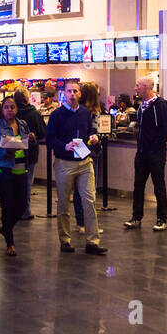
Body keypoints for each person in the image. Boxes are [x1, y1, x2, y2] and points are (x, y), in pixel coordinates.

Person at [46, 82, 106, 255]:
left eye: (75, 91)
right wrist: (65, 146)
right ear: (63, 93)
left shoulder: (85, 113)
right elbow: (50, 140)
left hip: (84, 162)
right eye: (69, 91)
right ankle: (65, 240)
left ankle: (92, 242)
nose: (72, 94)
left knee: (89, 200)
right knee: (64, 203)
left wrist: (93, 137)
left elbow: (88, 132)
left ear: (80, 94)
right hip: (65, 163)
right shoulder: (56, 115)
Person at [124, 76, 167, 232]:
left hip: (155, 153)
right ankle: (136, 217)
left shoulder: (160, 105)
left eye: (138, 85)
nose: (135, 88)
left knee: (159, 186)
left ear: (146, 87)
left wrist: (155, 149)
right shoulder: (141, 106)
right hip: (142, 152)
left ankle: (161, 218)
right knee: (138, 185)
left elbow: (163, 130)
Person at [0, 96, 31, 256]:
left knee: (21, 207)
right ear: (2, 109)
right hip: (3, 172)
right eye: (6, 107)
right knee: (7, 206)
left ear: (17, 109)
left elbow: (26, 145)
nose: (9, 110)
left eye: (12, 107)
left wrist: (31, 141)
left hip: (21, 171)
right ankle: (10, 242)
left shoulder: (23, 125)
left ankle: (6, 228)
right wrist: (5, 152)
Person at [72, 82, 103, 235]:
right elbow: (96, 132)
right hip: (91, 152)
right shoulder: (94, 112)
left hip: (79, 151)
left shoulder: (78, 111)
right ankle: (89, 224)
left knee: (79, 190)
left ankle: (81, 222)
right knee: (90, 190)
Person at [14, 89, 45, 221]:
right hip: (29, 153)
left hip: (12, 152)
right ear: (27, 98)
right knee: (27, 182)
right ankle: (25, 210)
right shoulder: (34, 114)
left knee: (14, 181)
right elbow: (43, 133)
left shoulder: (11, 112)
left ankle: (14, 209)